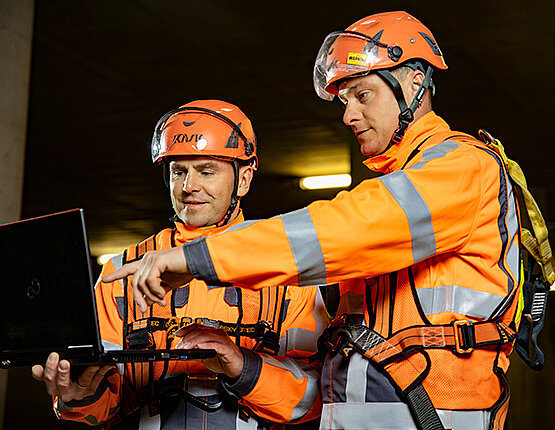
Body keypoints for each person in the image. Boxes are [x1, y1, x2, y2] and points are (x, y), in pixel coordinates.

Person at [103, 11, 533, 430]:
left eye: (363, 95)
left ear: (415, 83)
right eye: (345, 101)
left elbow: (346, 228)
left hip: (432, 416)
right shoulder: (400, 186)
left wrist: (196, 258)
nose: (348, 115)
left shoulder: (461, 168)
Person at [32, 99, 329, 429]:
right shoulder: (121, 270)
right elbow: (103, 406)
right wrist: (79, 394)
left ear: (243, 180)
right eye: (178, 172)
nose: (189, 187)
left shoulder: (286, 270)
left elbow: (315, 397)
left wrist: (242, 366)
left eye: (206, 171)